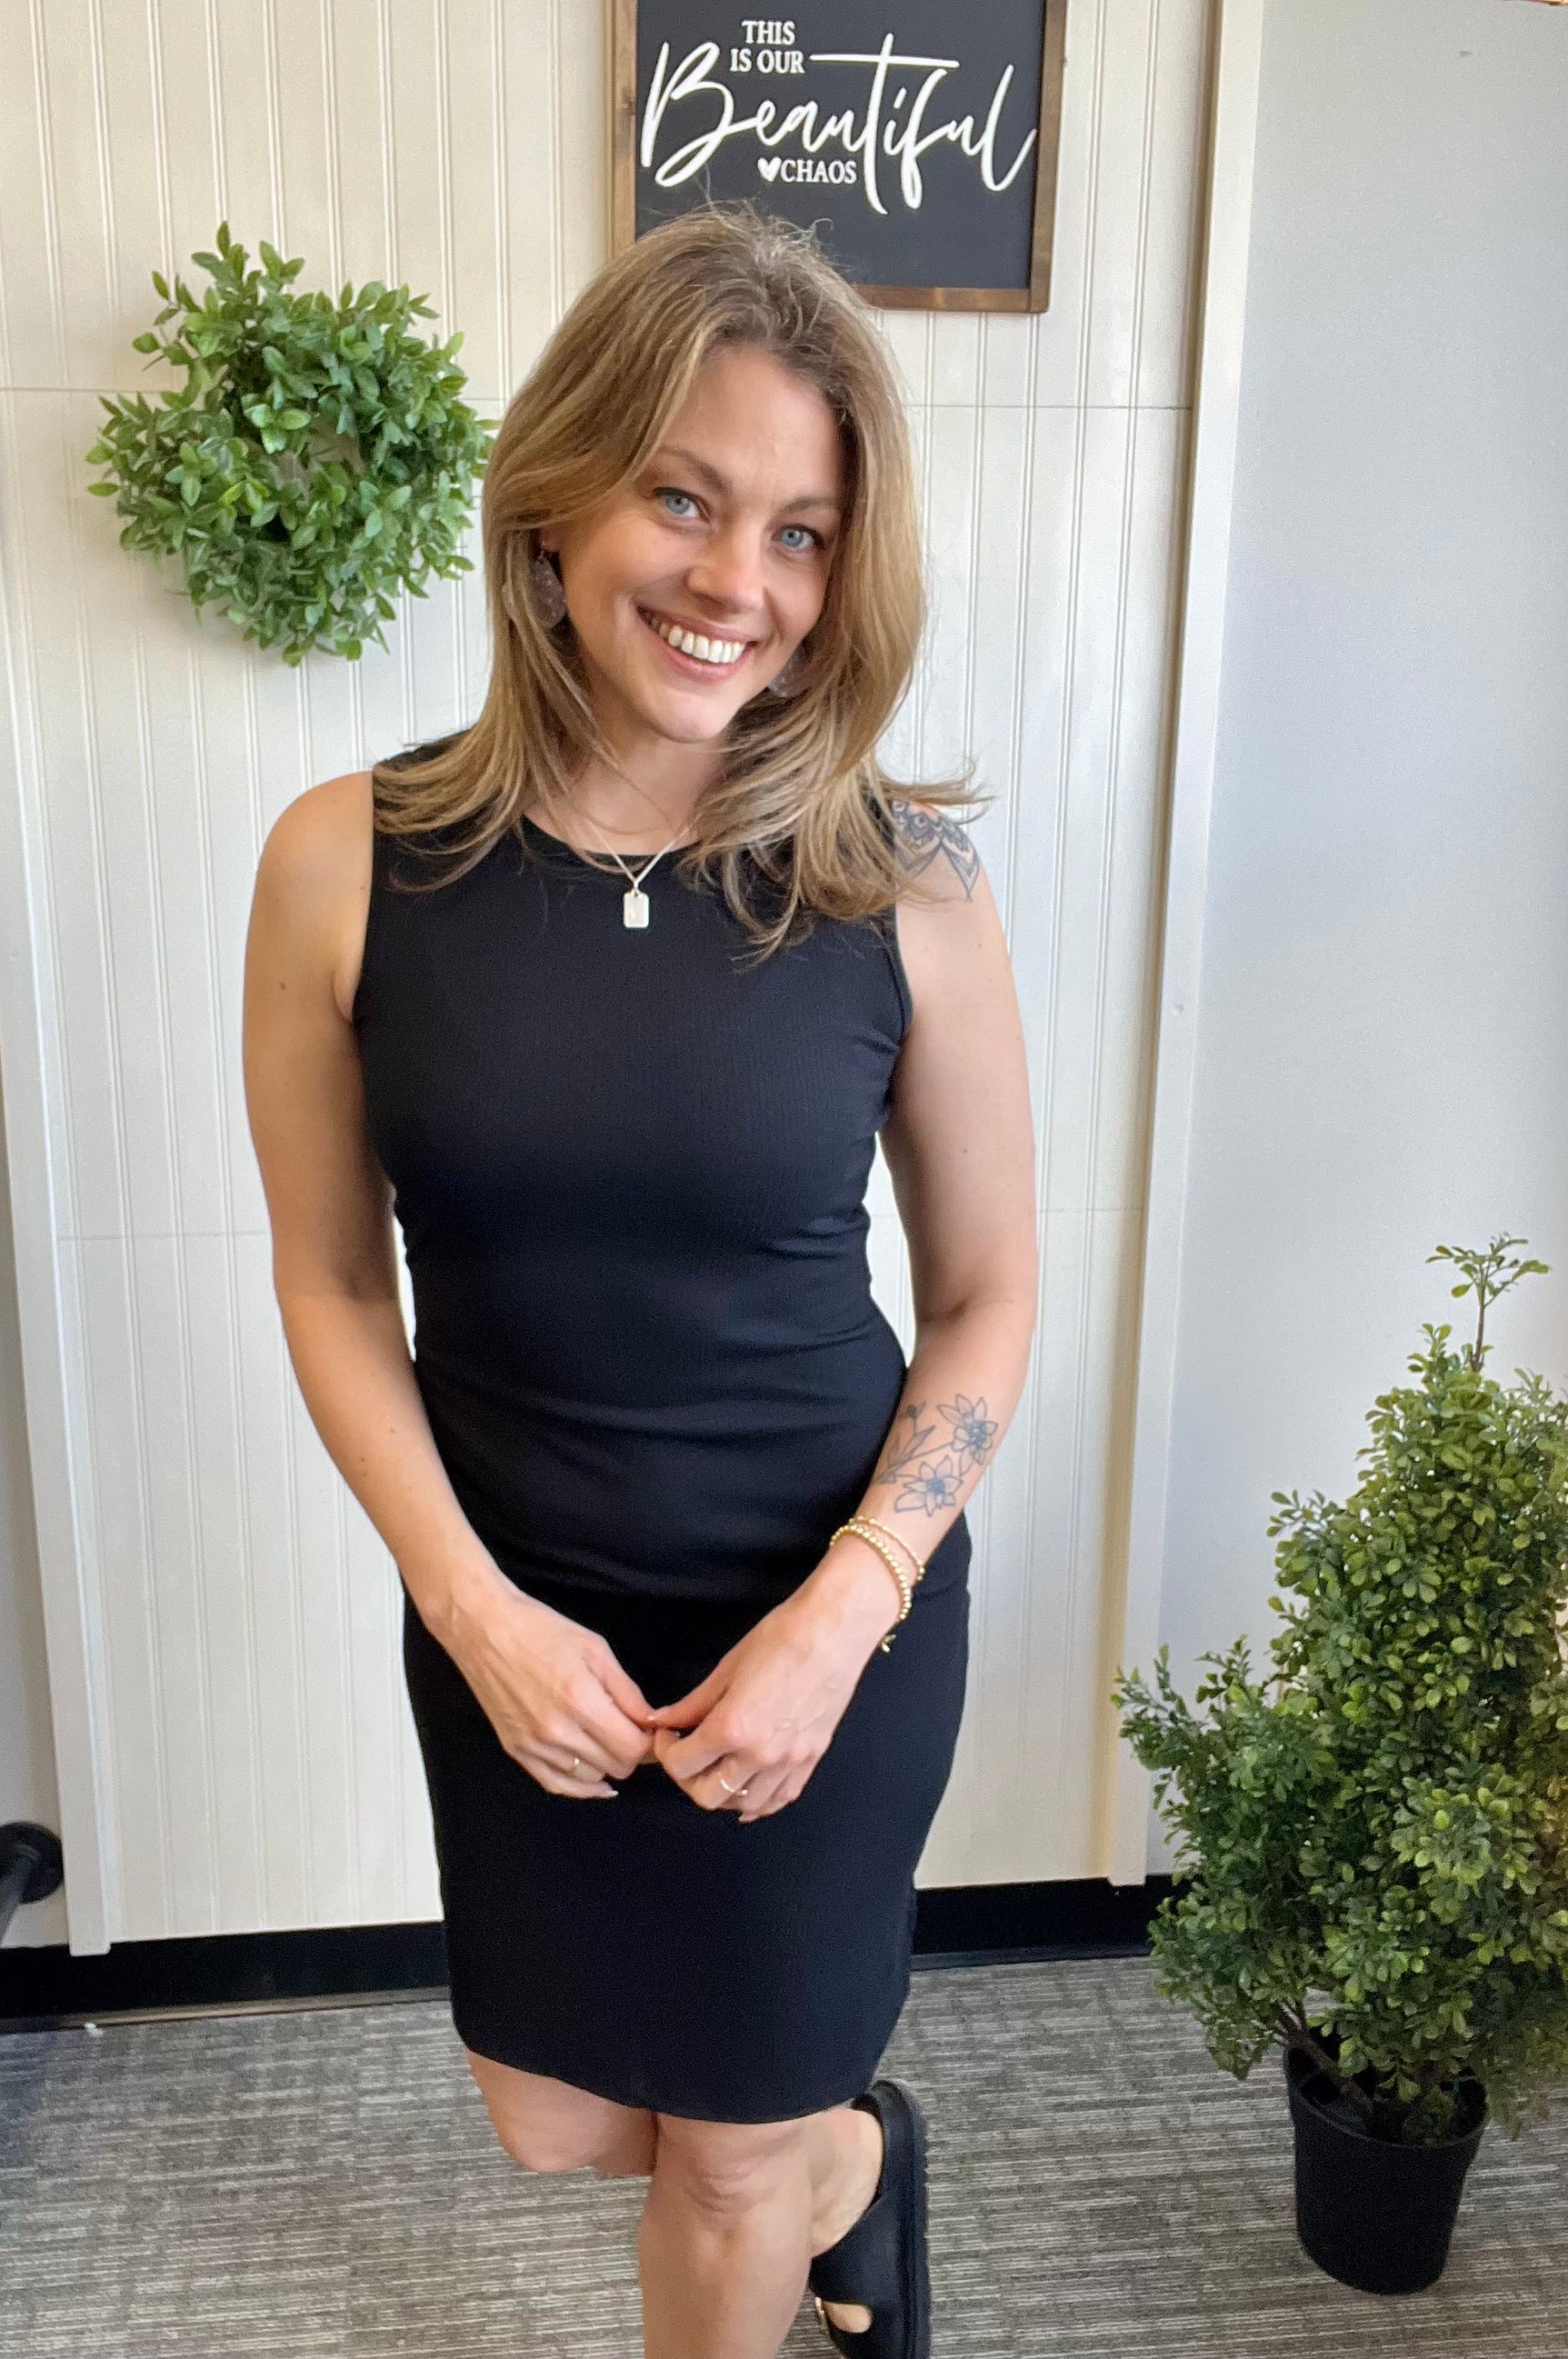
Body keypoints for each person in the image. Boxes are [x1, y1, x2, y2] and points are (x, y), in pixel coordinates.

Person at [242, 202, 1037, 2359]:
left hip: (822, 1609)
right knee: (565, 2117)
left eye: (799, 533)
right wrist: (472, 1607)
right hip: (519, 1615)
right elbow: (333, 1285)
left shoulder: (903, 882)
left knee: (726, 2156)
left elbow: (985, 1296)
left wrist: (848, 1606)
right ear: (559, 496)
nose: (734, 580)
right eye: (683, 497)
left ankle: (797, 2164)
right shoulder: (345, 862)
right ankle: (858, 2162)